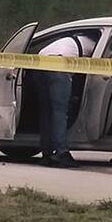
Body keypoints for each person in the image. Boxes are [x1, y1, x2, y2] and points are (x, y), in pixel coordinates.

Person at [29, 35, 84, 169]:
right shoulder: (96, 46)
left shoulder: (69, 41)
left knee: (46, 111)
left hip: (39, 62)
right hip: (58, 64)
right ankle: (61, 153)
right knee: (59, 110)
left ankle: (46, 154)